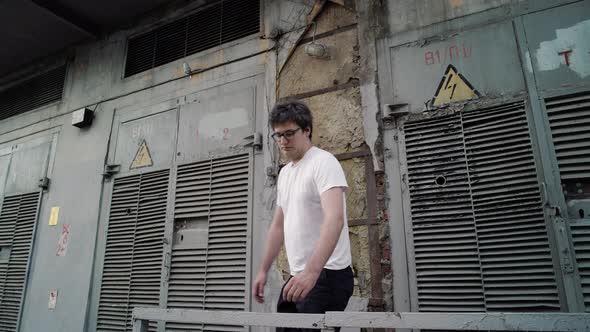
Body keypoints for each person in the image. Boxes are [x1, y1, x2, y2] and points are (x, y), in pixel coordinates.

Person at [252, 100, 353, 332]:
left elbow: (334, 219)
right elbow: (278, 226)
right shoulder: (286, 173)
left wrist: (311, 272)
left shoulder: (323, 162)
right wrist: (263, 270)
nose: (282, 141)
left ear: (307, 130)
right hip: (300, 276)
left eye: (289, 134)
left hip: (327, 274)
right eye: (277, 136)